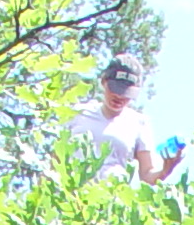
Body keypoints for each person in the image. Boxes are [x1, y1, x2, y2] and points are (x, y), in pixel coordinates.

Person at [67, 54, 184, 186]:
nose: (119, 96)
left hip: (111, 197)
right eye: (115, 89)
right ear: (104, 82)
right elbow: (55, 161)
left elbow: (146, 175)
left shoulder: (139, 123)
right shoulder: (77, 113)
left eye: (126, 93)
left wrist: (166, 170)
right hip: (73, 194)